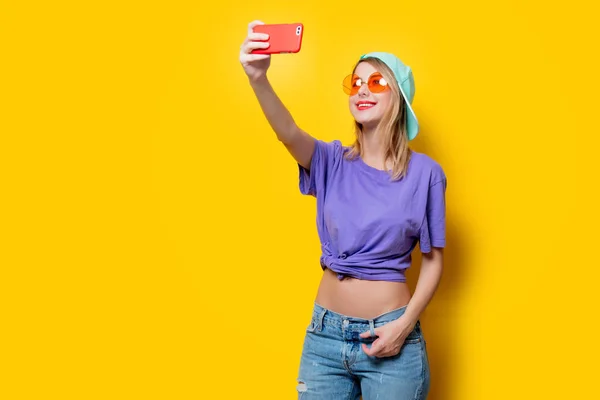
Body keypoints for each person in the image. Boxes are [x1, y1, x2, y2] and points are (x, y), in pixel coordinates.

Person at [239, 20, 446, 400]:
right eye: (356, 82)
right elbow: (288, 132)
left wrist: (404, 325)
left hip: (390, 335)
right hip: (325, 339)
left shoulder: (426, 175)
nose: (362, 89)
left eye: (377, 82)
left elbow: (433, 261)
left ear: (398, 97)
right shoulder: (331, 161)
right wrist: (258, 78)